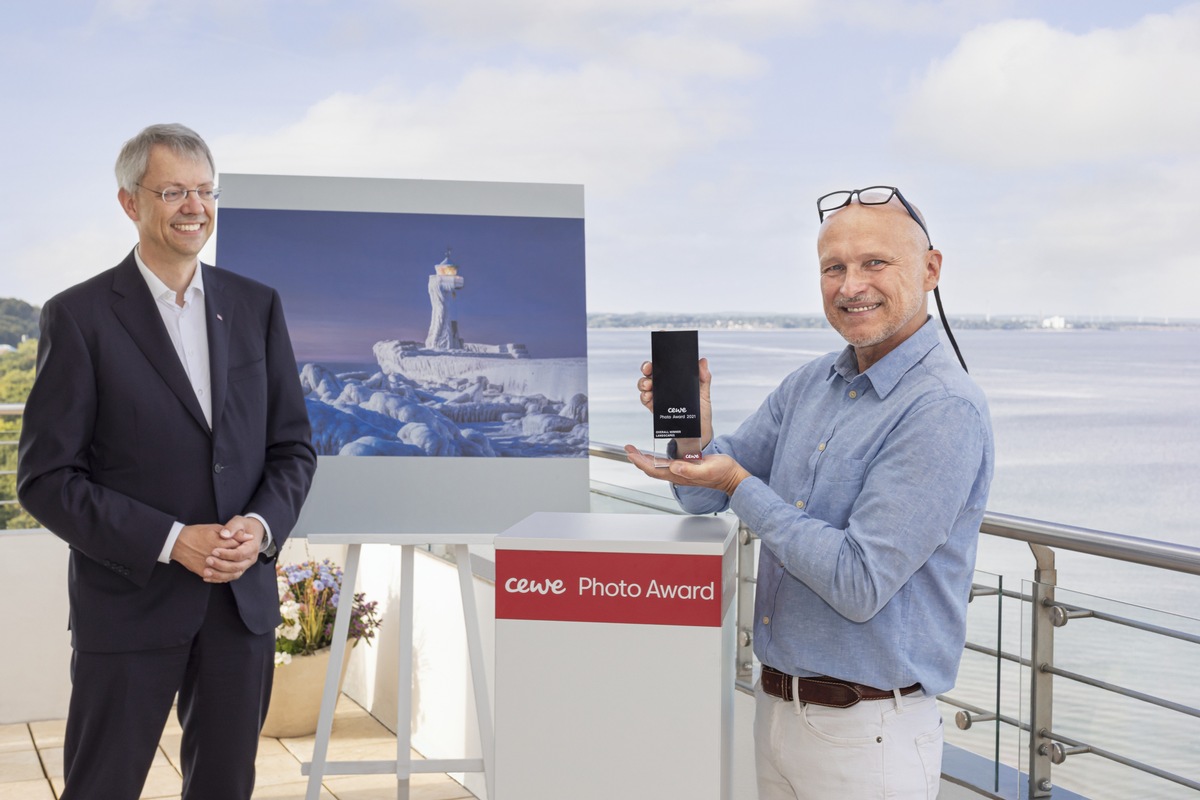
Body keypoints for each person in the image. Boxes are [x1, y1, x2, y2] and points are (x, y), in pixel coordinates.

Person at [625, 186, 994, 799]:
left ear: (930, 270)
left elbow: (858, 583)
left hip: (870, 736)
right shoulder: (812, 383)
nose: (852, 285)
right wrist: (694, 438)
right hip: (777, 711)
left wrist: (737, 482)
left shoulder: (942, 409)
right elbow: (699, 496)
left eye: (876, 262)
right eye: (834, 267)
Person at [17, 123, 317, 800]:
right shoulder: (79, 316)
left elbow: (292, 448)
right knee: (103, 787)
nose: (195, 206)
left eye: (205, 191)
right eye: (174, 190)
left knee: (224, 788)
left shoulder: (256, 305)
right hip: (128, 603)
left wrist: (261, 529)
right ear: (131, 202)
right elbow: (45, 479)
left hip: (239, 606)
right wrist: (172, 541)